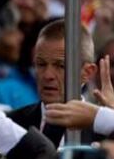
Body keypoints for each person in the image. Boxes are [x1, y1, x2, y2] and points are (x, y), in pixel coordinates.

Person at [5, 18, 99, 146]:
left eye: (60, 66)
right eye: (41, 64)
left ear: (87, 72)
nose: (47, 75)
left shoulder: (103, 132)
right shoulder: (11, 124)